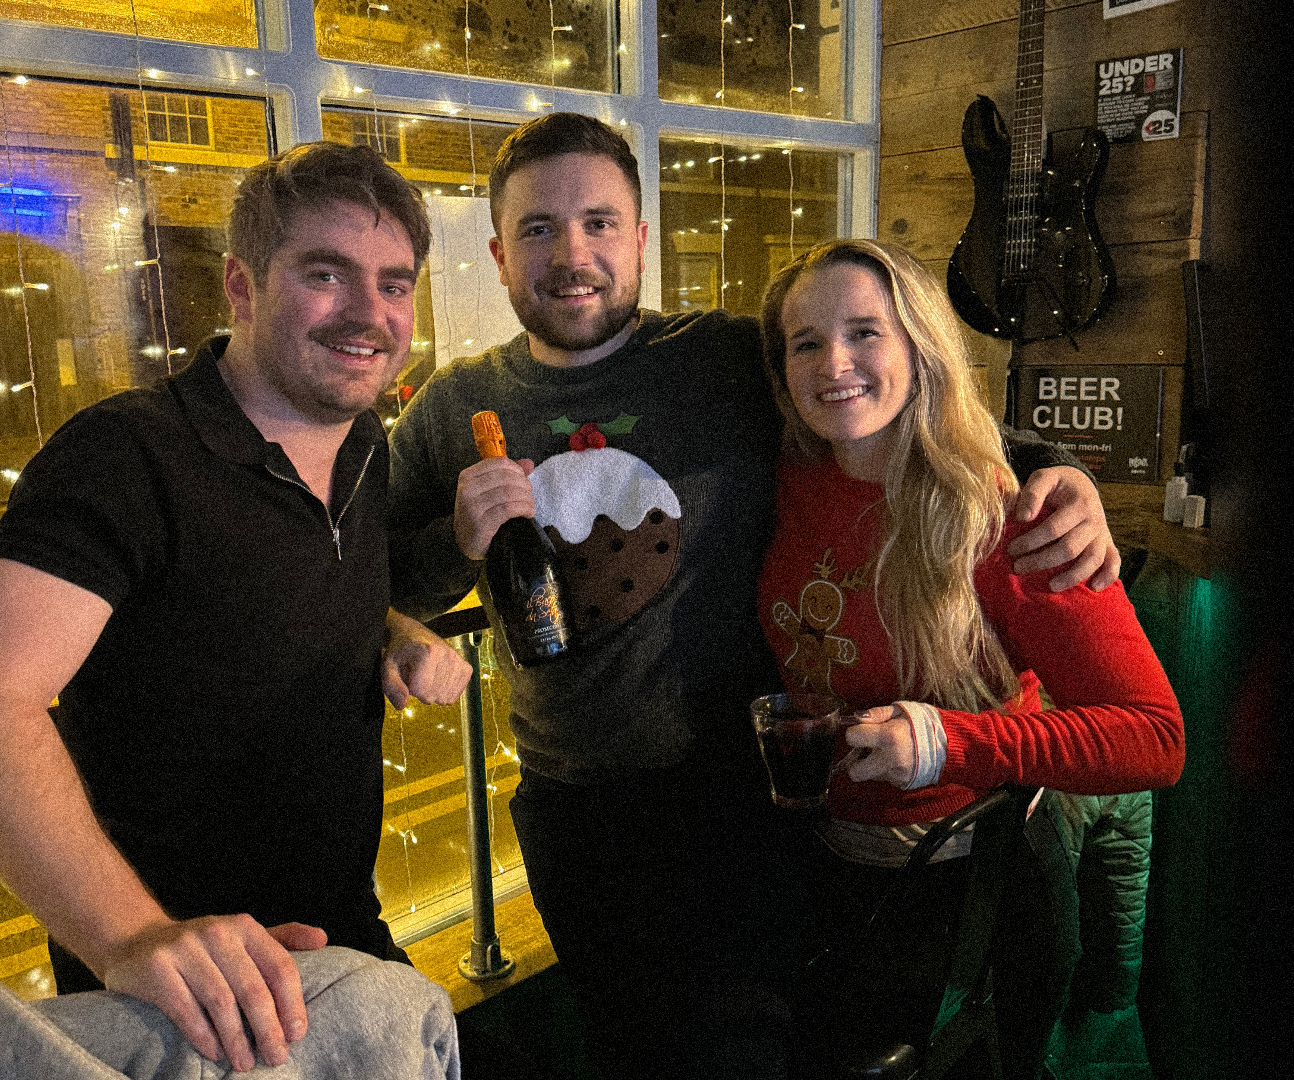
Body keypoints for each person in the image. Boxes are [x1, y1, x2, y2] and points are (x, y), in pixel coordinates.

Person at [386, 112, 1119, 1079]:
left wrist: (1057, 469)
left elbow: (891, 408)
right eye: (538, 229)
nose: (572, 255)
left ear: (640, 239)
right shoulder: (451, 406)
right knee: (625, 1046)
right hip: (575, 811)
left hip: (741, 788)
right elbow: (373, 576)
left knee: (759, 1044)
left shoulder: (723, 356)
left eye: (600, 223)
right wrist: (454, 543)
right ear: (497, 252)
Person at [0, 142, 472, 1075]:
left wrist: (392, 630)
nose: (369, 312)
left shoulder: (363, 442)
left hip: (343, 932)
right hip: (183, 990)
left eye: (394, 283)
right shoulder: (124, 456)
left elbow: (275, 582)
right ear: (240, 286)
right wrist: (134, 937)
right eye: (325, 274)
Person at [755, 239, 1184, 1077]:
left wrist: (947, 743)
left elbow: (1155, 737)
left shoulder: (1009, 518)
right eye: (806, 342)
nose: (834, 363)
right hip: (829, 875)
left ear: (921, 345)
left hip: (976, 891)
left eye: (865, 332)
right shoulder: (786, 478)